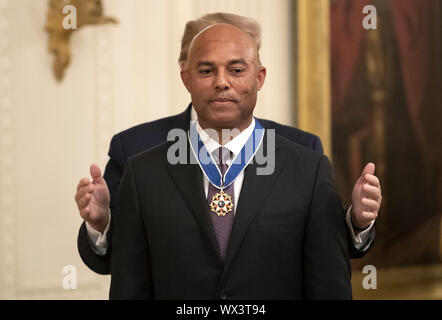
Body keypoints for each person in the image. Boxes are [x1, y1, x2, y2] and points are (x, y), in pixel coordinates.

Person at [75, 13, 381, 276]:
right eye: (208, 67)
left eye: (238, 66)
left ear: (257, 74)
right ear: (188, 72)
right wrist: (102, 225)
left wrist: (354, 221)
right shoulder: (136, 150)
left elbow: (322, 256)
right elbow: (123, 263)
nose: (225, 80)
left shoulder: (301, 149)